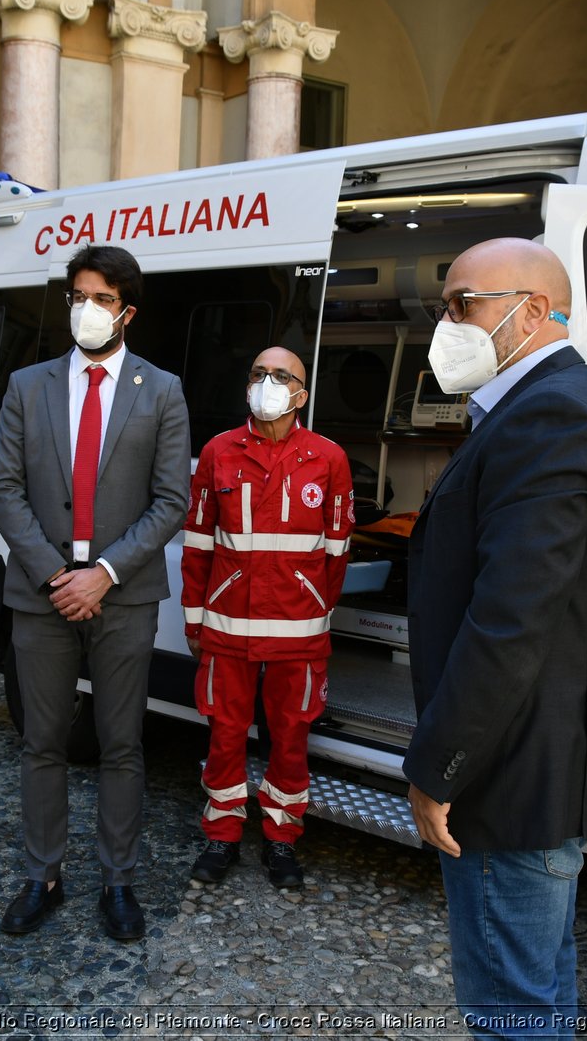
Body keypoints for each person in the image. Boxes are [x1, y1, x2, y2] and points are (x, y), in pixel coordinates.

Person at [404, 238, 587, 1039]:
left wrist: (441, 765)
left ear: (533, 311)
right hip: (532, 766)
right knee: (538, 988)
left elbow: (510, 621)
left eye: (461, 303)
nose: (448, 322)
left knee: (513, 1008)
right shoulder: (543, 403)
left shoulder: (553, 412)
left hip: (510, 777)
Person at [0, 244, 190, 941]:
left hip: (123, 595)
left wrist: (101, 573)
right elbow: (4, 489)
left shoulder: (160, 390)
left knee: (120, 743)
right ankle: (42, 874)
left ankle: (119, 880)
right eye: (78, 294)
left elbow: (171, 500)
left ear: (127, 311)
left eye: (101, 298)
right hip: (41, 591)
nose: (86, 308)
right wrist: (55, 575)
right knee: (42, 741)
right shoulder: (28, 385)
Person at [179, 346, 353, 889]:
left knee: (290, 740)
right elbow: (198, 545)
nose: (268, 383)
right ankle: (222, 835)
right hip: (226, 629)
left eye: (281, 376)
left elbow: (337, 553)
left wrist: (314, 610)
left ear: (303, 393)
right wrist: (194, 622)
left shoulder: (328, 458)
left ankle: (282, 840)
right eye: (258, 374)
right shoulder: (218, 452)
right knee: (224, 736)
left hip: (298, 636)